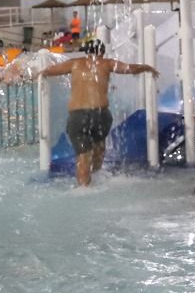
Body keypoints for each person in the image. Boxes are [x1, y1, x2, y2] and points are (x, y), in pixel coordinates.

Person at [37, 38, 157, 186]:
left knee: (82, 156)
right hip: (100, 115)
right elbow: (129, 68)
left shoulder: (74, 64)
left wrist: (38, 74)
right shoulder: (106, 63)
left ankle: (84, 189)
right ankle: (93, 178)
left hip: (78, 116)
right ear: (102, 52)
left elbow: (48, 71)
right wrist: (146, 67)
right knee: (99, 152)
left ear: (86, 52)